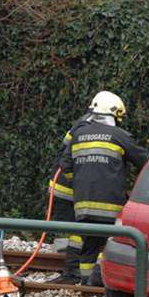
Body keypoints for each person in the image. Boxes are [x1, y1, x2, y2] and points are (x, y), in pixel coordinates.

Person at [59, 91, 149, 286]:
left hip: (82, 204)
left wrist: (79, 183)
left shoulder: (78, 134)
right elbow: (146, 162)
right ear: (114, 114)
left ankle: (86, 281)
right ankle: (101, 281)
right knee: (111, 243)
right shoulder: (120, 135)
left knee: (89, 244)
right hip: (111, 205)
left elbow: (65, 165)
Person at [46, 115, 90, 284]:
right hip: (70, 189)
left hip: (63, 186)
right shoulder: (87, 128)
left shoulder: (81, 123)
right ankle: (73, 272)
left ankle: (74, 271)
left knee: (78, 231)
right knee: (80, 231)